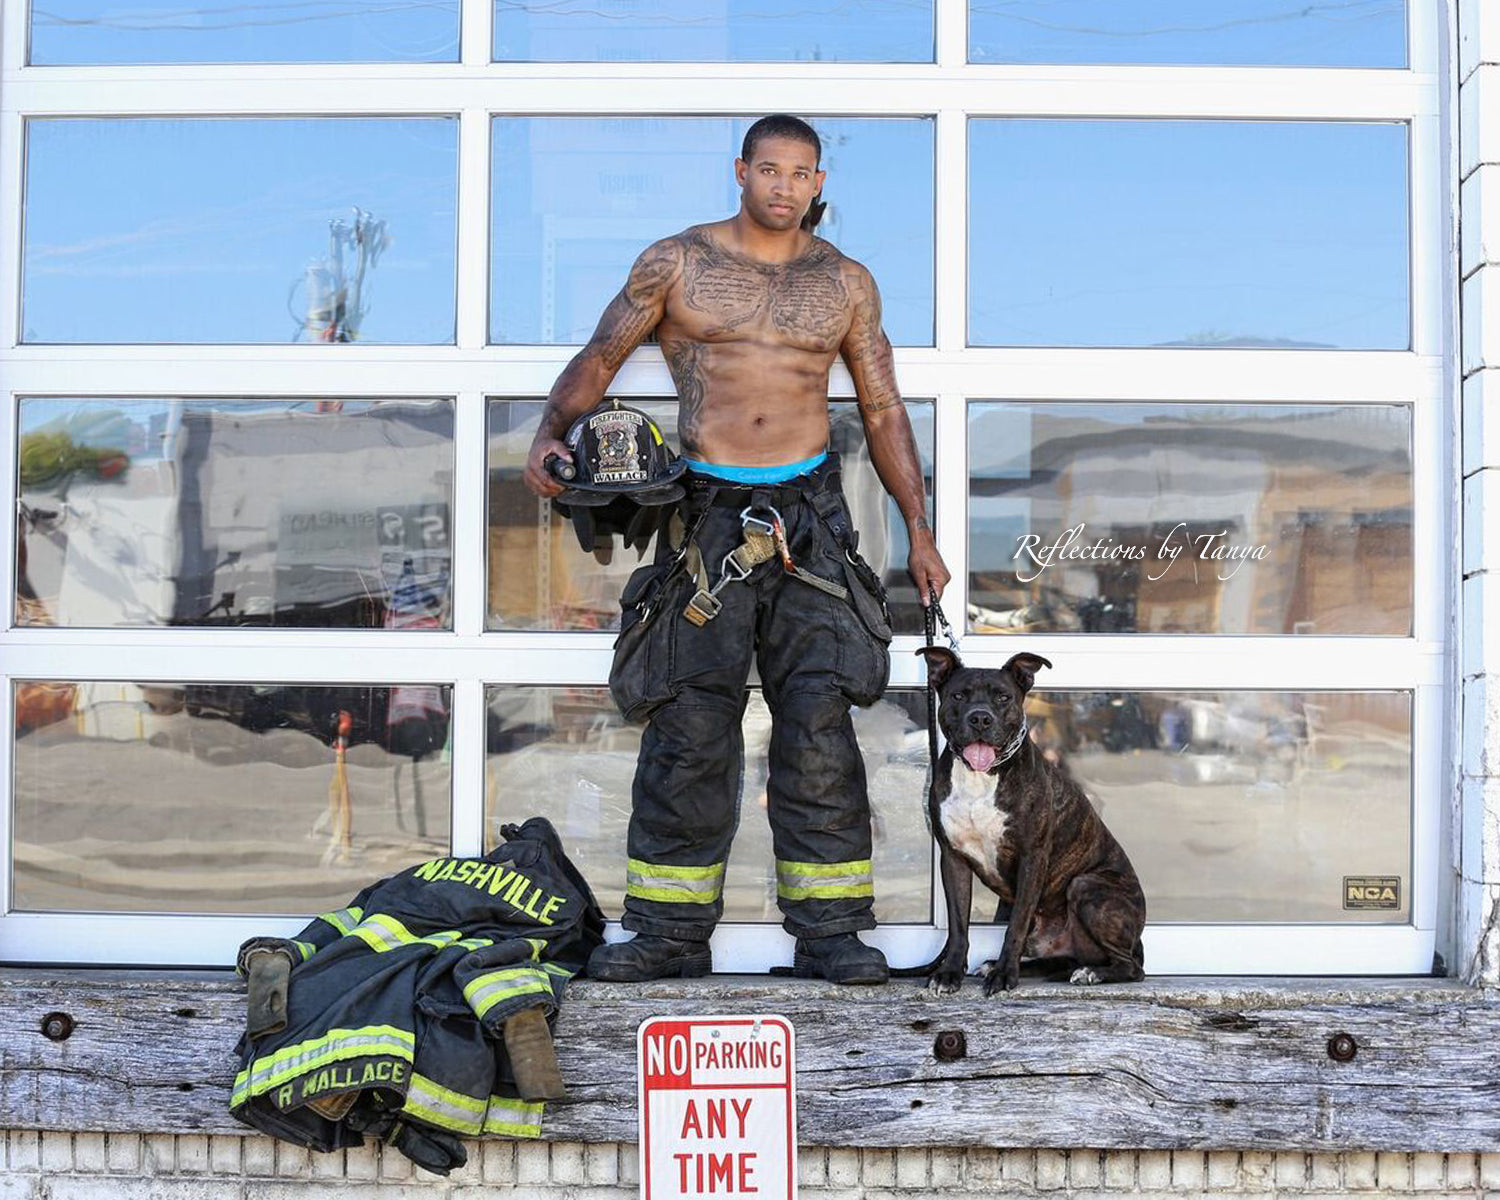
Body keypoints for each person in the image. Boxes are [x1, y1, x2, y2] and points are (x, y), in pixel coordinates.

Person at [523, 114, 950, 983]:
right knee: (689, 724)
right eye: (770, 169)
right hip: (706, 512)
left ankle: (831, 933)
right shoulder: (676, 262)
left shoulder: (846, 284)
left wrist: (922, 532)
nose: (785, 186)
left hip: (811, 517)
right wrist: (548, 431)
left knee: (820, 723)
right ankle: (668, 935)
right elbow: (601, 357)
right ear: (741, 172)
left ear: (819, 182)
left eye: (801, 173)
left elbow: (883, 409)